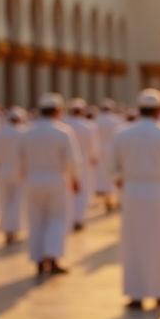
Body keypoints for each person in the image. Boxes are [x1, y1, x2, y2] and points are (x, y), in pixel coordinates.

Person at [110, 88, 160, 309]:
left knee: (134, 242)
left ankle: (136, 294)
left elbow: (114, 171)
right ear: (159, 111)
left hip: (133, 191)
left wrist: (129, 186)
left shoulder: (123, 134)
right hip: (159, 192)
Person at [19, 94, 82, 276]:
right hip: (56, 179)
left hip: (33, 179)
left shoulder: (27, 131)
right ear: (57, 111)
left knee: (36, 220)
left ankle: (38, 259)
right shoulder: (63, 132)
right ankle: (52, 257)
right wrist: (75, 179)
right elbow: (72, 160)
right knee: (57, 219)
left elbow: (19, 158)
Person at [0, 107, 27, 244]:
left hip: (3, 170)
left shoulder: (0, 134)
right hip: (19, 171)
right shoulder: (23, 133)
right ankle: (13, 229)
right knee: (16, 201)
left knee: (4, 201)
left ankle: (7, 231)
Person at [65, 98, 100, 230]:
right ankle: (79, 218)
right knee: (82, 191)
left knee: (69, 191)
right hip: (83, 162)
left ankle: (71, 217)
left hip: (67, 164)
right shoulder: (88, 126)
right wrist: (94, 157)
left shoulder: (64, 125)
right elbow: (93, 146)